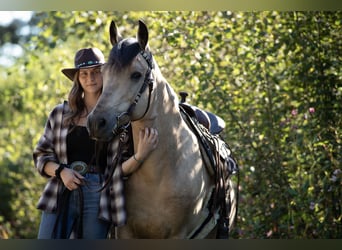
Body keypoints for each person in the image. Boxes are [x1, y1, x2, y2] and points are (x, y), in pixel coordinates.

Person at [33, 47, 158, 239]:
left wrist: (140, 156)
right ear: (78, 78)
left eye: (96, 72)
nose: (90, 78)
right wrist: (62, 172)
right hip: (60, 189)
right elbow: (42, 156)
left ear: (105, 75)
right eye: (84, 74)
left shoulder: (118, 118)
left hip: (99, 192)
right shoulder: (60, 113)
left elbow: (117, 170)